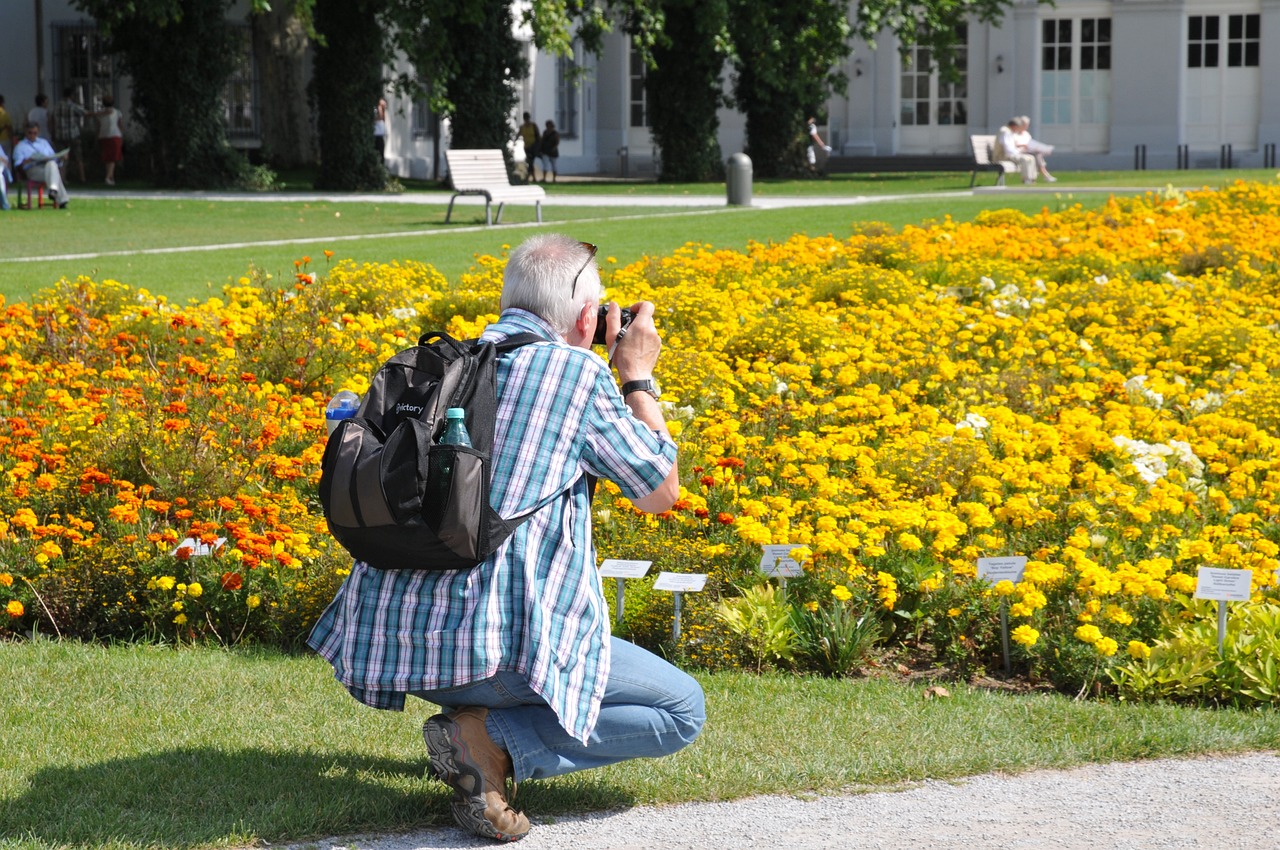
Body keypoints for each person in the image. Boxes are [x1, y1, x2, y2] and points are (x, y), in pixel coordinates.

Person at [309, 234, 705, 843]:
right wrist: (637, 375)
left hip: (387, 651)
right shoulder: (575, 375)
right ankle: (492, 740)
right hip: (493, 659)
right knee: (680, 709)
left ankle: (473, 728)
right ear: (586, 318)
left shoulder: (440, 363)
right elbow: (661, 491)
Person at [13, 121, 70, 207]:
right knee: (54, 172)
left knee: (51, 164)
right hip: (32, 170)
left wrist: (60, 158)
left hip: (48, 167)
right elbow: (17, 165)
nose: (32, 135)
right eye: (30, 133)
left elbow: (53, 157)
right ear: (25, 132)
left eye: (35, 133)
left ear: (38, 132)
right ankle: (60, 199)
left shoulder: (44, 143)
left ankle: (53, 190)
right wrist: (27, 161)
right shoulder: (20, 146)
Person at [51, 87, 87, 183]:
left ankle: (62, 178)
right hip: (73, 135)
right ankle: (82, 178)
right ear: (71, 95)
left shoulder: (57, 106)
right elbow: (85, 113)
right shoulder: (72, 106)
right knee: (78, 157)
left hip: (60, 135)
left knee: (63, 158)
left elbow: (52, 119)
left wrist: (53, 132)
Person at [92, 95, 125, 186]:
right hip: (115, 135)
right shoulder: (117, 112)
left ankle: (111, 178)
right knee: (113, 158)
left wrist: (97, 137)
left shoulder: (100, 114)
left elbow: (98, 127)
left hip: (103, 136)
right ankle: (108, 176)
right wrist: (122, 134)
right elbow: (120, 124)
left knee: (107, 158)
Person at [1012, 115, 1056, 182]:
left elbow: (1030, 143)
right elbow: (1013, 145)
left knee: (1037, 154)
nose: (1026, 127)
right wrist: (1024, 145)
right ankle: (1044, 174)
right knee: (1037, 155)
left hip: (1030, 151)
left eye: (1027, 125)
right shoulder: (1014, 134)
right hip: (1020, 152)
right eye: (1024, 125)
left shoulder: (1026, 134)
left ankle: (1040, 175)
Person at [995, 117, 1037, 185]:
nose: (1018, 130)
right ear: (1014, 126)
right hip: (1003, 156)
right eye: (1018, 128)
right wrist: (1019, 152)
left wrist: (1019, 151)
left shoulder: (1009, 132)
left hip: (1011, 154)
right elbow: (1007, 148)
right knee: (1024, 159)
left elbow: (1012, 147)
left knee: (1031, 158)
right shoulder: (1005, 132)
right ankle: (1027, 180)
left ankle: (1032, 179)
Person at [517, 112, 540, 182]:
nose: (526, 119)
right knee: (529, 162)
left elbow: (538, 136)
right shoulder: (522, 127)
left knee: (530, 162)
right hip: (526, 147)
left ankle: (529, 176)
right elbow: (518, 135)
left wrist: (537, 146)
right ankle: (532, 177)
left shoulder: (533, 126)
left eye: (527, 118)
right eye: (525, 118)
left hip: (533, 147)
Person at [373, 96, 388, 161]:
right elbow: (376, 118)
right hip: (376, 136)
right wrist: (380, 109)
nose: (385, 106)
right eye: (383, 104)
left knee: (381, 155)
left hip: (380, 136)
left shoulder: (383, 112)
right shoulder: (376, 110)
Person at [0, 95, 13, 159]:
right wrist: (12, 139)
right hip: (4, 139)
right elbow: (9, 128)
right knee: (6, 157)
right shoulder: (4, 113)